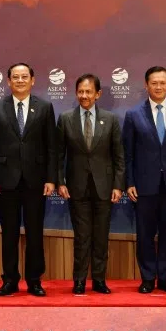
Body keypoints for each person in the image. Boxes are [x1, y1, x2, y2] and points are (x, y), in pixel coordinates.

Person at [0, 63, 58, 297]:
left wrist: (51, 178)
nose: (20, 80)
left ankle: (34, 280)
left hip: (36, 180)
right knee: (9, 233)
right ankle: (10, 280)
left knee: (35, 233)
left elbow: (51, 147)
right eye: (15, 77)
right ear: (8, 81)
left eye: (24, 77)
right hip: (6, 180)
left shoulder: (45, 107)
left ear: (33, 80)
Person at [122, 66, 166, 294]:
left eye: (163, 82)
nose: (159, 87)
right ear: (146, 85)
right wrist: (129, 182)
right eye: (154, 83)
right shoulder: (133, 114)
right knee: (144, 234)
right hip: (143, 186)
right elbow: (128, 153)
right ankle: (146, 278)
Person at [56, 74, 124, 295]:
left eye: (88, 92)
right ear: (76, 93)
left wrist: (118, 185)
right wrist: (60, 181)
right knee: (82, 237)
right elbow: (58, 155)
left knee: (101, 237)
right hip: (76, 187)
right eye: (80, 92)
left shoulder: (111, 119)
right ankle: (79, 281)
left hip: (104, 186)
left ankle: (99, 280)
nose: (84, 96)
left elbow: (119, 156)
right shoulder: (66, 118)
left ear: (98, 94)